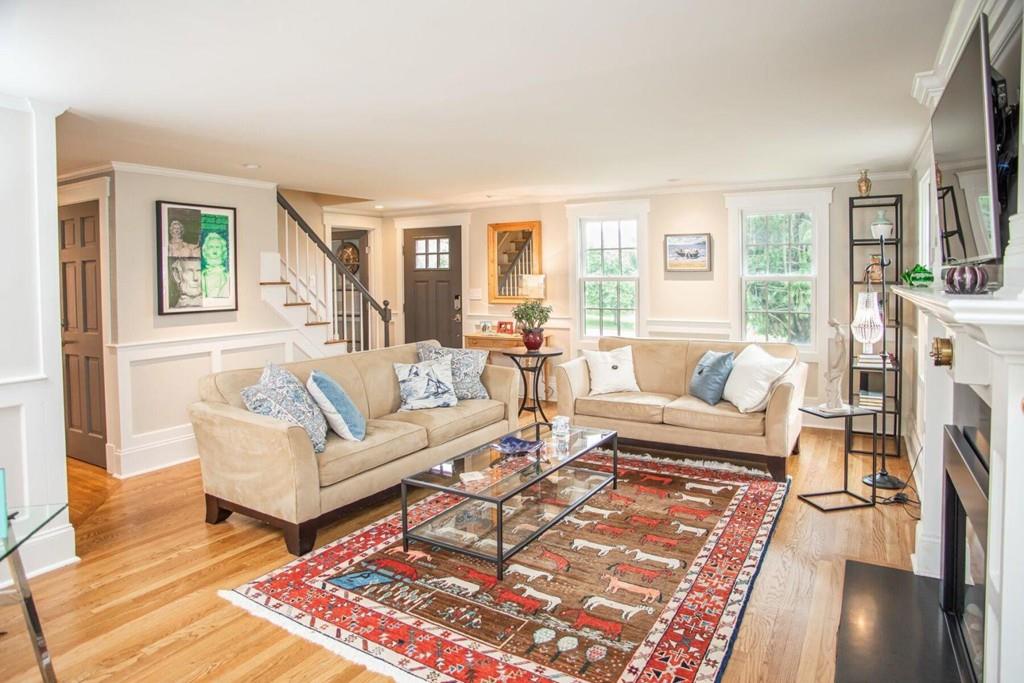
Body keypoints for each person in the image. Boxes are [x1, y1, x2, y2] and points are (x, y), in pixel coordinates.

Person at [201, 232, 230, 299]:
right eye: (211, 247)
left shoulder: (227, 275)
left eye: (217, 247)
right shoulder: (203, 274)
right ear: (206, 250)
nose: (215, 249)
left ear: (222, 250)